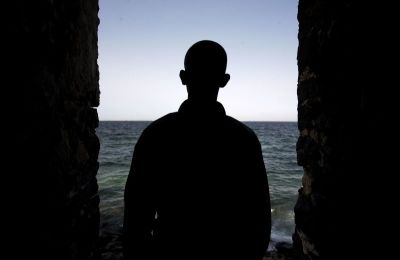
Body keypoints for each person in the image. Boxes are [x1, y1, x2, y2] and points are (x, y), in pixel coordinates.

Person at [123, 40, 271, 260]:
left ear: (183, 77)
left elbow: (136, 216)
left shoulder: (155, 135)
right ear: (224, 80)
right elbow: (258, 218)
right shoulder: (244, 139)